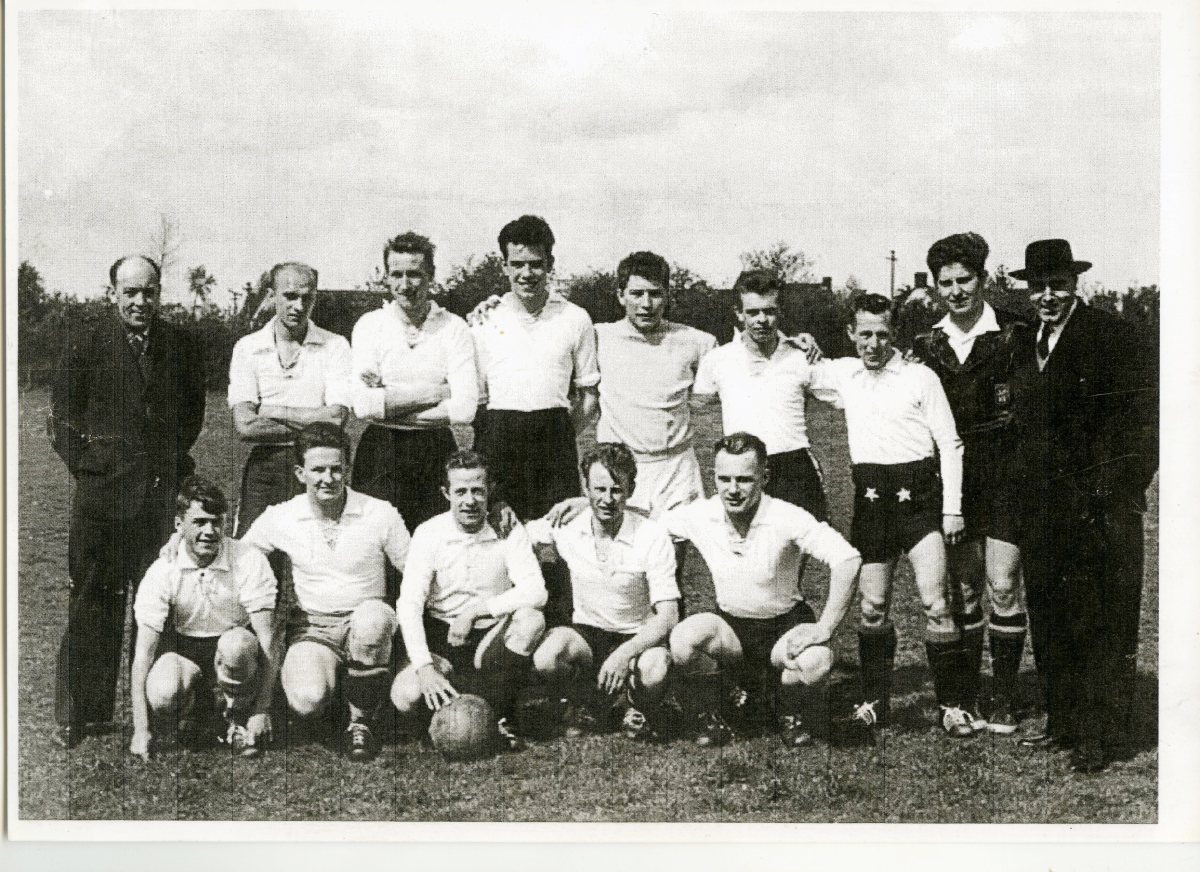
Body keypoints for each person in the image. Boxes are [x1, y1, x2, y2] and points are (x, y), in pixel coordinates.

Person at [1009, 239, 1158, 773]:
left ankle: (1102, 735)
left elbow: (1145, 423)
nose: (1047, 296)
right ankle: (1064, 722)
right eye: (1038, 286)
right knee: (1051, 616)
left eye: (1058, 285)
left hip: (1100, 510)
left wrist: (1115, 491)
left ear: (1075, 284)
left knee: (1101, 620)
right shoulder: (1024, 341)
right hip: (1044, 510)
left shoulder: (1113, 336)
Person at [48, 254, 206, 748]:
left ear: (159, 292)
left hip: (159, 497)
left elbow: (192, 417)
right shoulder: (86, 343)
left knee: (160, 603)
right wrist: (95, 469)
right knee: (93, 601)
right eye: (130, 292)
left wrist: (164, 465)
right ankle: (81, 713)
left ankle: (165, 708)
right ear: (112, 292)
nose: (140, 301)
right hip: (101, 500)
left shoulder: (181, 345)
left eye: (149, 292)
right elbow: (62, 420)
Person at [808, 294, 976, 738]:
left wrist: (952, 509)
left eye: (882, 334)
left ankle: (952, 706)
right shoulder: (843, 374)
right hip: (871, 504)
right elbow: (795, 369)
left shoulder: (920, 377)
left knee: (936, 602)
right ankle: (874, 702)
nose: (873, 343)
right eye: (864, 334)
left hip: (919, 502)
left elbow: (950, 444)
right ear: (850, 334)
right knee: (872, 607)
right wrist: (800, 341)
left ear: (895, 334)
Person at [664, 433, 862, 748]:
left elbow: (847, 559)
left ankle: (788, 709)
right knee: (684, 639)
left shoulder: (786, 516)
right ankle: (717, 710)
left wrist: (825, 627)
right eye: (724, 479)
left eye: (744, 479)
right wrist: (586, 507)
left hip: (783, 627)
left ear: (764, 477)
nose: (732, 489)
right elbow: (648, 530)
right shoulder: (701, 514)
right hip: (732, 630)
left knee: (817, 661)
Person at [909, 233, 1033, 733]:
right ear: (936, 287)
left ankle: (1004, 697)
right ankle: (967, 693)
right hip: (951, 479)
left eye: (965, 280)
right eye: (946, 283)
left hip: (1005, 473)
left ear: (982, 279)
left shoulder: (1016, 333)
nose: (956, 291)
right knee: (964, 590)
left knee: (1003, 585)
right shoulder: (925, 344)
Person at [240, 422, 410, 761]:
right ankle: (351, 687)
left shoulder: (379, 512)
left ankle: (361, 721)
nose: (328, 478)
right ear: (300, 473)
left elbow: (416, 570)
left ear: (347, 468)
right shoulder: (282, 516)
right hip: (313, 627)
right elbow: (239, 555)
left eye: (336, 469)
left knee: (372, 621)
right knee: (307, 701)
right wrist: (179, 542)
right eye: (318, 470)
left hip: (366, 619)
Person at [470, 215, 600, 626]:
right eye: (518, 264)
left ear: (550, 264)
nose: (527, 274)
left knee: (558, 545)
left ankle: (560, 641)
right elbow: (477, 405)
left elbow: (589, 396)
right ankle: (502, 640)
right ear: (504, 265)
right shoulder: (484, 320)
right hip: (498, 440)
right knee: (501, 542)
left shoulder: (576, 318)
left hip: (554, 444)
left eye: (536, 264)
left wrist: (557, 436)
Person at [391, 451, 547, 752]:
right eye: (460, 491)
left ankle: (501, 714)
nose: (470, 501)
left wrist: (475, 612)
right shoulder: (429, 533)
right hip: (442, 635)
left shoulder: (507, 528)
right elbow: (409, 604)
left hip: (491, 638)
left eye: (478, 490)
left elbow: (536, 590)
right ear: (446, 493)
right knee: (405, 696)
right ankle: (446, 718)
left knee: (531, 620)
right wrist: (424, 667)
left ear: (490, 491)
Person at [528, 443, 680, 741]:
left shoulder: (652, 535)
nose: (607, 499)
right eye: (599, 489)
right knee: (548, 655)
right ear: (585, 488)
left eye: (616, 490)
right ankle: (583, 702)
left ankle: (635, 705)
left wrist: (625, 653)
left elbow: (668, 616)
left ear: (631, 489)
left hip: (636, 637)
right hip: (587, 636)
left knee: (656, 669)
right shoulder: (567, 525)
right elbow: (521, 536)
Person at [129, 477, 279, 761]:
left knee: (237, 646)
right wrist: (141, 729)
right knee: (164, 691)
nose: (209, 532)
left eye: (216, 522)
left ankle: (238, 717)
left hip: (234, 650)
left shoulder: (248, 559)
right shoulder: (163, 569)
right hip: (186, 650)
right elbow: (143, 655)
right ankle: (201, 712)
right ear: (179, 525)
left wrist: (262, 710)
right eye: (199, 522)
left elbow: (268, 640)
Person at [351, 232, 479, 531]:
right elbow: (364, 406)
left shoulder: (454, 327)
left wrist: (388, 401)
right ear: (386, 277)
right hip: (380, 450)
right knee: (377, 541)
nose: (405, 285)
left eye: (414, 274)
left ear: (431, 276)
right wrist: (437, 392)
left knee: (435, 541)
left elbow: (464, 410)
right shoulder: (370, 325)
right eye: (396, 274)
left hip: (435, 449)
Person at [694, 270, 830, 524]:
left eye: (769, 311)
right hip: (741, 468)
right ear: (739, 313)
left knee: (802, 545)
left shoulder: (801, 356)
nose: (762, 320)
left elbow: (848, 391)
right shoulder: (717, 360)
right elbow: (693, 403)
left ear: (780, 312)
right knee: (743, 545)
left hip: (793, 468)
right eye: (753, 312)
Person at [227, 262, 350, 535]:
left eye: (307, 298)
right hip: (265, 468)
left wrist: (269, 410)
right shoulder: (248, 348)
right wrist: (314, 419)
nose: (299, 306)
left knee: (318, 549)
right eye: (290, 296)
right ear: (272, 296)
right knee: (253, 550)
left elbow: (336, 419)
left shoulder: (336, 346)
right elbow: (245, 426)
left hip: (318, 466)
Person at [591, 252, 716, 517]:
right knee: (623, 542)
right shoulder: (598, 337)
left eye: (655, 294)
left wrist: (789, 341)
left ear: (667, 295)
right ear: (620, 295)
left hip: (677, 469)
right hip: (620, 469)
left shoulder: (697, 341)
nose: (646, 304)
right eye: (637, 294)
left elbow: (745, 355)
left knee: (678, 542)